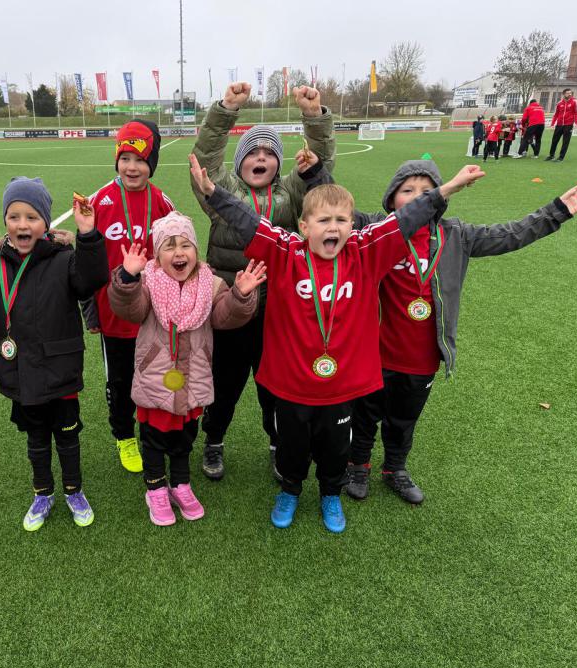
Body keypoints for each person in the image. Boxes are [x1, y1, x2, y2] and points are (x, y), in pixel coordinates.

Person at [190, 151, 487, 533]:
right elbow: (247, 221)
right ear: (304, 225)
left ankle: (330, 494)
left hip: (341, 386)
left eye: (342, 220)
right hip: (292, 384)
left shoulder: (365, 252)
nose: (333, 228)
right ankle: (290, 491)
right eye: (323, 220)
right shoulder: (284, 251)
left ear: (353, 225)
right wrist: (213, 192)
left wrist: (447, 189)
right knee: (291, 447)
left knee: (336, 449)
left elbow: (404, 219)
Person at [345, 161, 577, 504]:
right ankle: (358, 465)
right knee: (364, 416)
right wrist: (314, 169)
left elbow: (509, 234)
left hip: (421, 358)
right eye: (408, 191)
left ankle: (395, 469)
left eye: (427, 190)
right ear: (391, 200)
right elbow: (332, 205)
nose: (419, 197)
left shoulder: (456, 235)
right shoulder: (376, 230)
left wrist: (556, 212)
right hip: (373, 354)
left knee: (403, 420)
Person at [0, 169, 108, 532]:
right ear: (6, 222)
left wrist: (88, 234)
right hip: (21, 374)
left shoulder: (64, 259)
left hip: (60, 373)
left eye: (31, 216)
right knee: (36, 439)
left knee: (68, 436)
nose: (22, 224)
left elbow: (93, 278)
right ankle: (43, 492)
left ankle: (74, 491)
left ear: (45, 222)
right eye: (14, 216)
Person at [191, 81, 336, 481]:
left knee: (273, 387)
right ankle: (214, 440)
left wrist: (313, 117)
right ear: (239, 162)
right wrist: (226, 109)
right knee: (224, 383)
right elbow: (205, 159)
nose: (261, 158)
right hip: (230, 308)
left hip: (279, 312)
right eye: (252, 152)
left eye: (269, 153)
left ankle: (277, 444)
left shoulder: (291, 193)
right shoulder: (222, 191)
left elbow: (319, 168)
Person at [108, 214, 261, 525]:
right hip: (156, 378)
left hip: (193, 378)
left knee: (184, 437)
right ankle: (155, 488)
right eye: (169, 246)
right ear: (156, 255)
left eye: (185, 245)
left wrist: (240, 295)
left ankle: (180, 484)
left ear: (196, 250)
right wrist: (128, 278)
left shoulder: (211, 283)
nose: (178, 253)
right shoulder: (147, 282)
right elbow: (130, 309)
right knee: (153, 438)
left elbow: (224, 317)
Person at [83, 120, 175, 474]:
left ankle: (153, 432)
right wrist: (90, 309)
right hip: (113, 314)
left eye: (140, 160)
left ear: (152, 163)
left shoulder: (162, 203)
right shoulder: (98, 201)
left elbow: (176, 257)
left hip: (153, 314)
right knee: (120, 381)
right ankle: (124, 435)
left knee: (154, 376)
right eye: (125, 159)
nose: (132, 167)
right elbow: (86, 259)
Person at [546, 89, 577, 162]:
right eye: (568, 93)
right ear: (564, 94)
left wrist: (576, 123)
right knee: (554, 140)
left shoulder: (574, 101)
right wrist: (552, 124)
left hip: (568, 124)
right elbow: (556, 114)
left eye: (570, 93)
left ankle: (561, 157)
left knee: (565, 142)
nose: (570, 94)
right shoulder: (559, 103)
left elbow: (576, 113)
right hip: (559, 124)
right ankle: (551, 155)